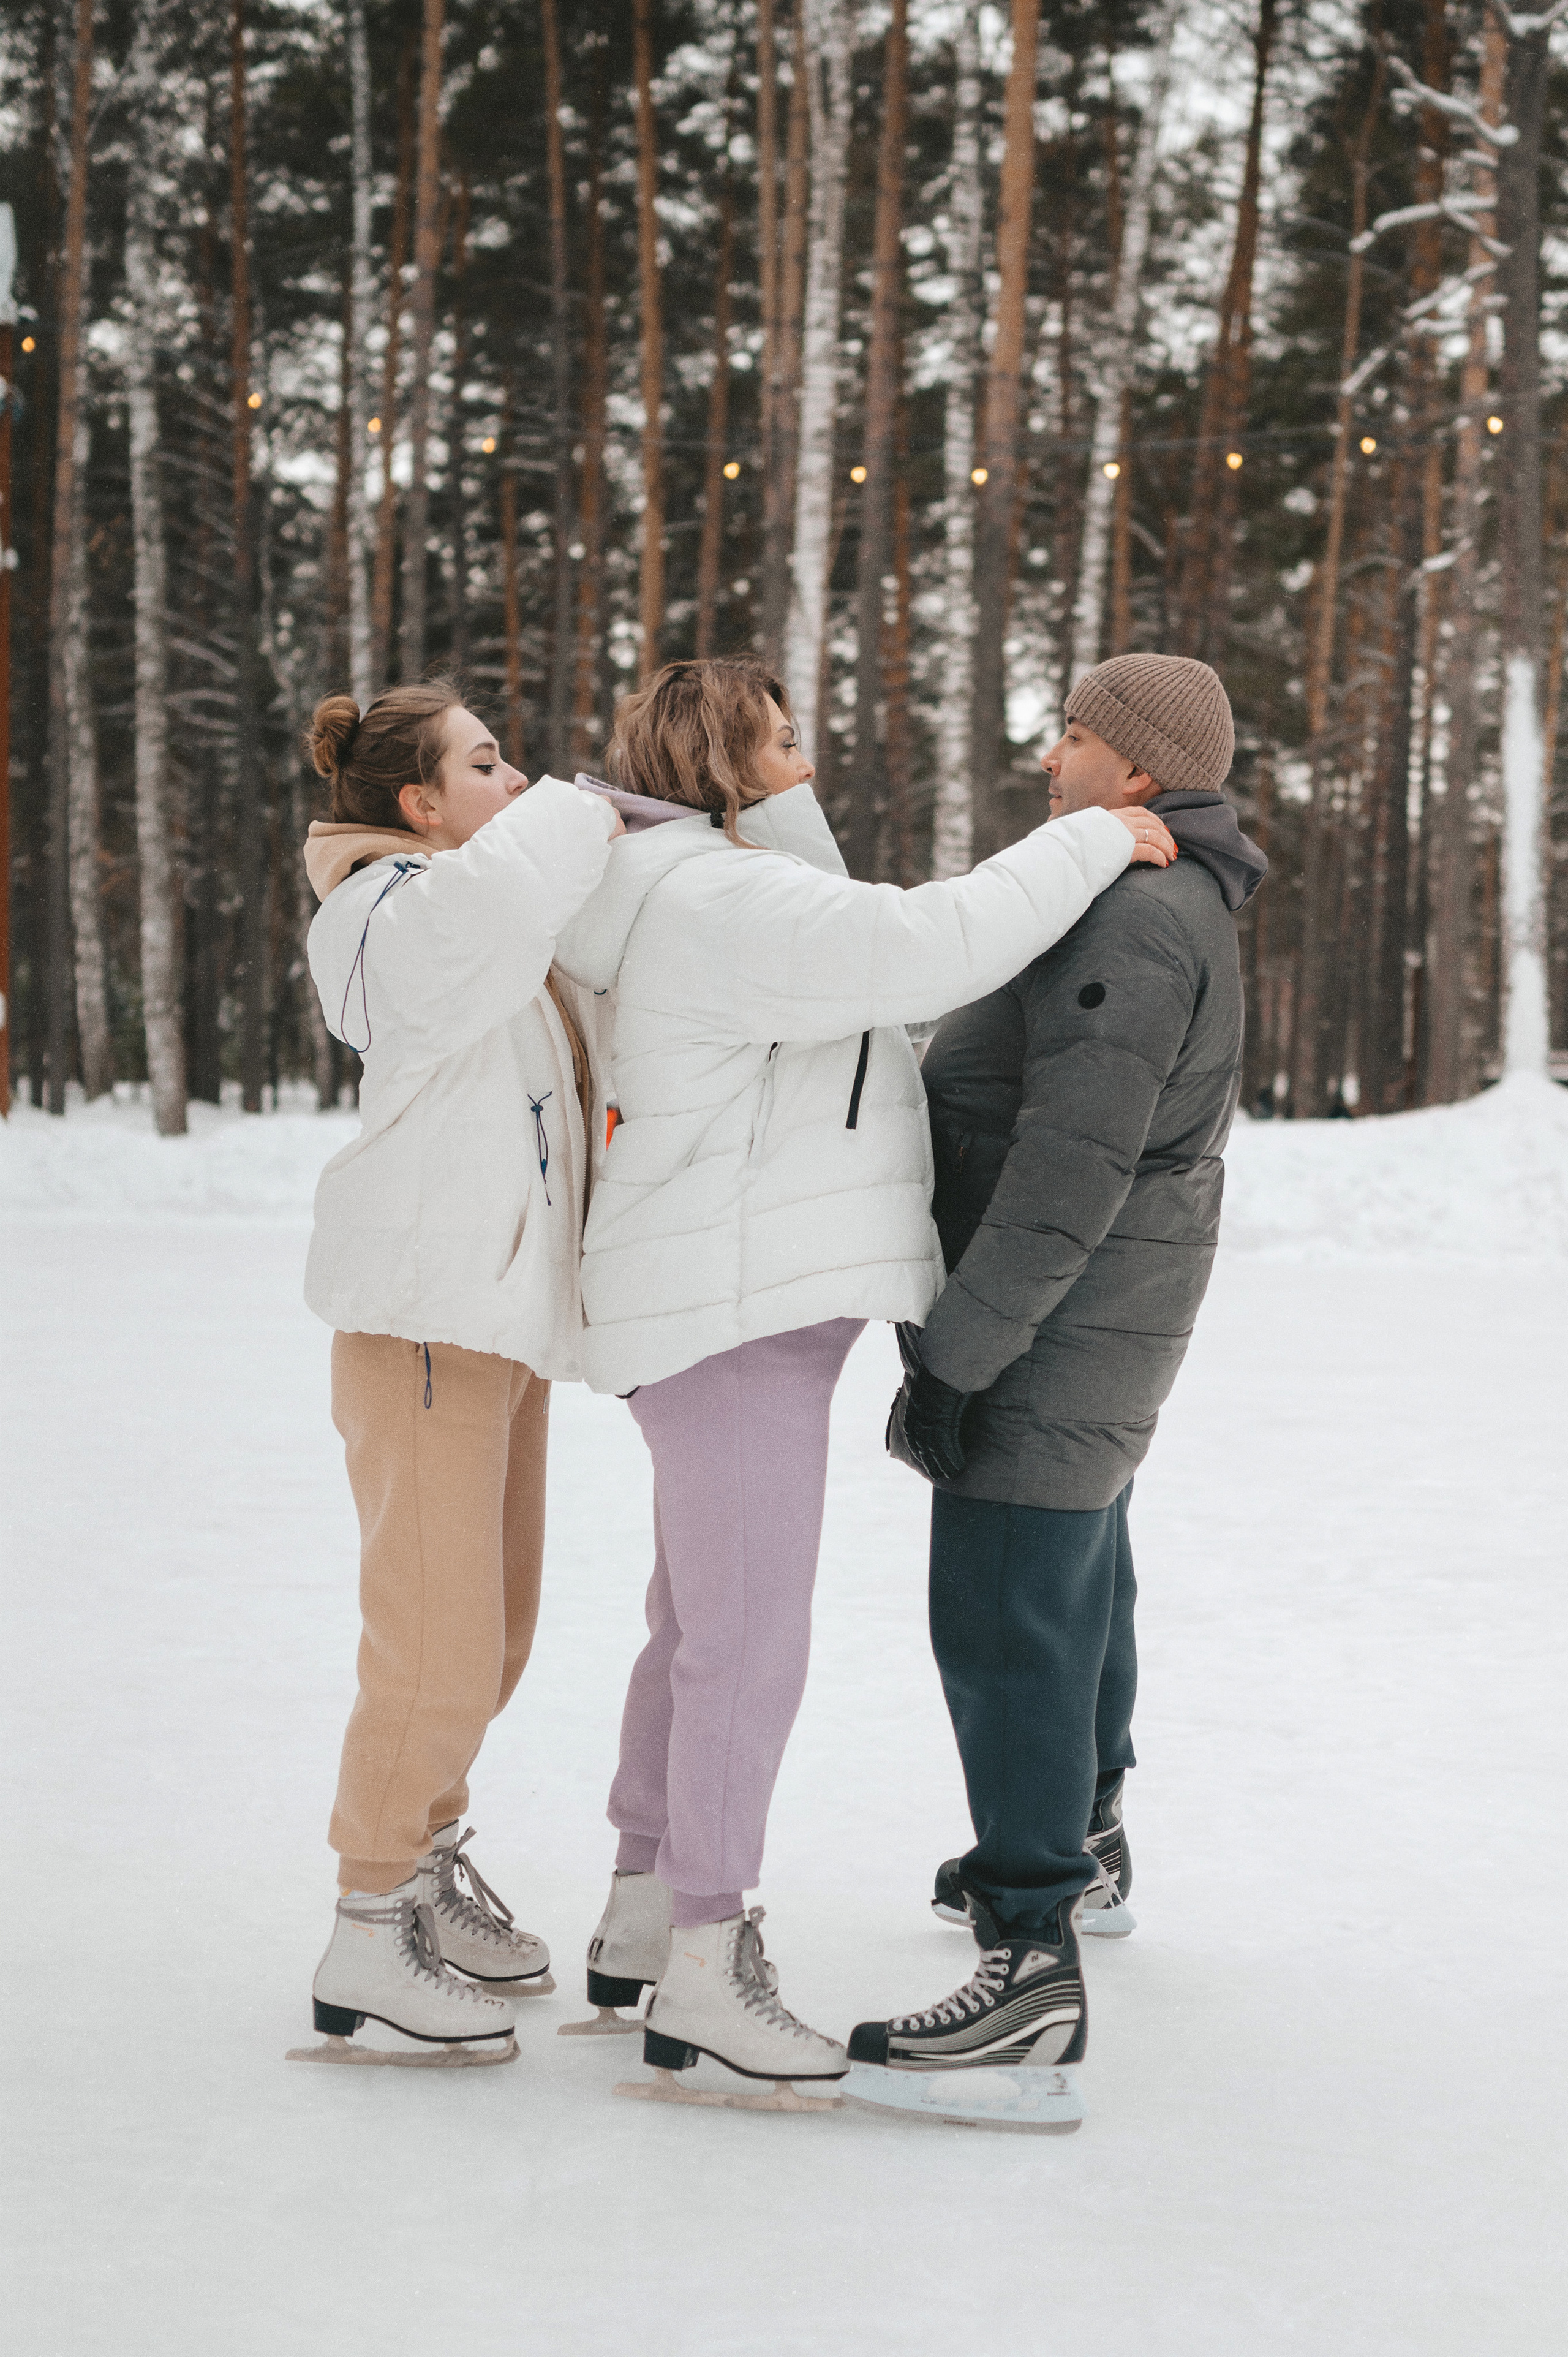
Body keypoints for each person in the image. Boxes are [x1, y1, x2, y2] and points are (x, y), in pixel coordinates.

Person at [549, 656, 1177, 2105]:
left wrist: (764, 808)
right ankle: (705, 1962)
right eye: (782, 744)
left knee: (695, 1625)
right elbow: (921, 942)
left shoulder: (703, 886)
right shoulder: (722, 900)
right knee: (743, 1646)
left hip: (726, 1306)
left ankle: (645, 1909)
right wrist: (1092, 836)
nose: (808, 764)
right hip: (734, 1319)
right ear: (728, 767)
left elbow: (840, 926)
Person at [846, 653, 1267, 2129]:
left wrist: (958, 1353)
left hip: (1049, 1319)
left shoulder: (1134, 916)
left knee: (1006, 1611)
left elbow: (1066, 1165)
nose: (1049, 757)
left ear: (1138, 769)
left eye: (1073, 735)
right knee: (1079, 1568)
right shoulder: (1145, 894)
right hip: (1093, 1315)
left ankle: (1025, 1966)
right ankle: (1082, 1841)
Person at [292, 679, 622, 2066]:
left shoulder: (476, 907)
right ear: (419, 804)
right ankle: (367, 1925)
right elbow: (504, 899)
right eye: (487, 765)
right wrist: (598, 804)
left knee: (491, 1636)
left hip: (494, 1320)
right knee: (430, 1642)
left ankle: (423, 1863)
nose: (519, 780)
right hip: (425, 1321)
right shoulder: (380, 910)